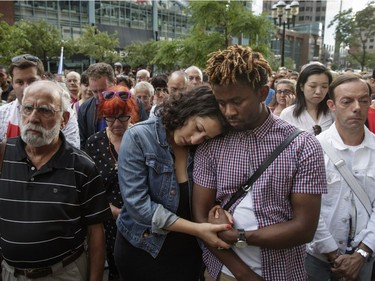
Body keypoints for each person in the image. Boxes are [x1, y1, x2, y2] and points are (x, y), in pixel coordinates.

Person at [192, 45, 327, 281]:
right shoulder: (211, 143)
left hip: (284, 273)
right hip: (224, 272)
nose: (229, 112)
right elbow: (201, 219)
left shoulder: (303, 146)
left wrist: (239, 236)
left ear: (263, 93)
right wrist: (243, 274)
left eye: (236, 101)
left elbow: (305, 228)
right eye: (221, 103)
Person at [114, 86, 232, 281]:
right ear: (188, 109)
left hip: (188, 254)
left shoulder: (202, 149)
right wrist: (198, 230)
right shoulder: (138, 137)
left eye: (206, 137)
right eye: (198, 128)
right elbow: (139, 207)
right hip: (143, 249)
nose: (195, 139)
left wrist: (220, 210)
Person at [0, 80, 112, 281]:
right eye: (28, 109)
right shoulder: (2, 154)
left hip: (64, 274)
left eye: (45, 110)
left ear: (64, 118)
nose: (33, 118)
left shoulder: (82, 167)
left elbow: (96, 232)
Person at [305, 74, 375, 281]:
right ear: (332, 105)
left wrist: (362, 252)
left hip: (365, 258)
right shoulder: (313, 148)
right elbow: (308, 208)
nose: (357, 107)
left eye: (364, 101)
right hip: (317, 257)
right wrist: (333, 253)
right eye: (347, 101)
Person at [85, 85, 139, 281]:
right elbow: (89, 188)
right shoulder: (94, 143)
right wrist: (112, 210)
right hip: (107, 220)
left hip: (139, 219)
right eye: (110, 117)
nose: (116, 123)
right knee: (115, 268)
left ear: (131, 113)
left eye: (123, 116)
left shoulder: (142, 138)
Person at [0, 54, 80, 149]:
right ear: (12, 83)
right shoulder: (2, 114)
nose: (26, 88)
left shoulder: (62, 114)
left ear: (43, 79)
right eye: (19, 82)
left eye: (32, 81)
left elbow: (71, 154)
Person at [77, 62, 147, 149]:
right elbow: (83, 143)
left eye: (103, 91)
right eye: (94, 91)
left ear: (114, 82)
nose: (99, 96)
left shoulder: (133, 103)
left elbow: (145, 134)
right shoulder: (84, 109)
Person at [280, 63, 334, 135]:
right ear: (302, 86)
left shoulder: (333, 113)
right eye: (312, 86)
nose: (318, 92)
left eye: (324, 87)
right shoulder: (288, 114)